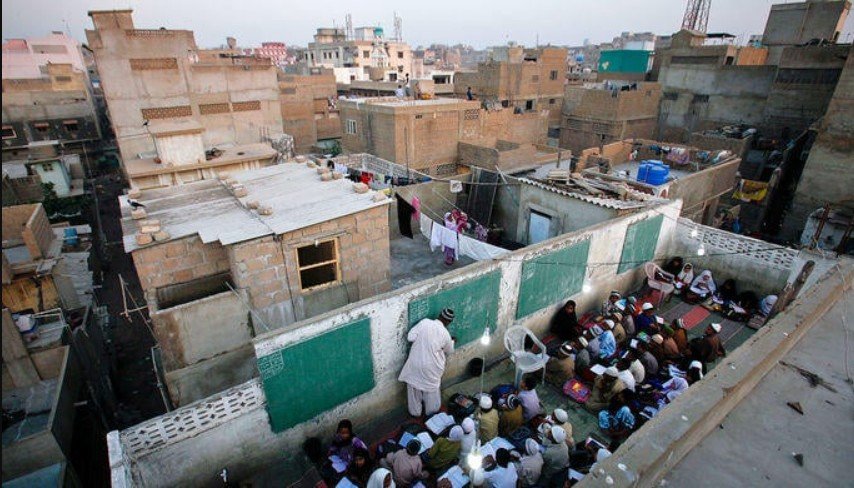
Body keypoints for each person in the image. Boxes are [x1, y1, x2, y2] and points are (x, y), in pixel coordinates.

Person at [398, 309, 455, 417]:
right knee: (431, 392)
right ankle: (431, 413)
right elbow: (449, 351)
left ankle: (415, 413)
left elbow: (410, 337)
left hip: (415, 364)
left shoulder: (424, 322)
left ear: (439, 315)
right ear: (448, 322)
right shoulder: (446, 334)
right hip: (432, 368)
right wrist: (452, 341)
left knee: (414, 390)